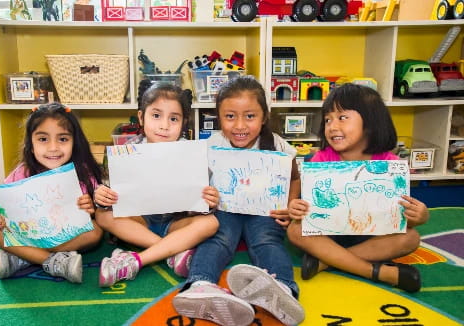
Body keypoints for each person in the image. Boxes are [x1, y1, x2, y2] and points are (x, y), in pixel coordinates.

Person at [172, 75, 305, 326]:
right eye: (230, 116)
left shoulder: (277, 144)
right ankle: (200, 284)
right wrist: (206, 197)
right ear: (218, 117)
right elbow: (200, 182)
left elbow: (295, 178)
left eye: (250, 116)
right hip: (226, 208)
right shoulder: (213, 144)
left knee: (267, 241)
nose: (239, 125)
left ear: (264, 116)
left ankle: (283, 289)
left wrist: (289, 204)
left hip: (265, 211)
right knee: (218, 239)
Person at [287, 83, 429, 293]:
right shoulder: (321, 160)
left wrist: (420, 215)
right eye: (328, 119)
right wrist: (297, 209)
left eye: (342, 117)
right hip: (329, 234)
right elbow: (308, 211)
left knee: (411, 238)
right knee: (295, 230)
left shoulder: (389, 163)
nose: (332, 126)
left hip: (371, 235)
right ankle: (377, 272)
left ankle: (327, 261)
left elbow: (403, 213)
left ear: (371, 123)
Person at [94, 80, 220, 287]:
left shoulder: (192, 153)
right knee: (102, 215)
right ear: (141, 117)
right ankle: (171, 252)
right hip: (139, 222)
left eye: (174, 118)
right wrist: (102, 196)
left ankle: (137, 260)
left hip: (175, 223)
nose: (164, 125)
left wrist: (209, 202)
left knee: (211, 223)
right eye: (156, 115)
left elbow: (203, 203)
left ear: (183, 123)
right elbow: (109, 195)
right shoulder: (127, 151)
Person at [0, 102, 104, 283]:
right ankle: (49, 261)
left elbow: (93, 213)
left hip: (64, 236)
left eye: (63, 139)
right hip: (29, 233)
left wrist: (89, 208)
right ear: (31, 144)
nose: (53, 148)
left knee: (95, 232)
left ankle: (24, 257)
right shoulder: (21, 172)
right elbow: (0, 205)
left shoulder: (82, 172)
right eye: (43, 139)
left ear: (74, 143)